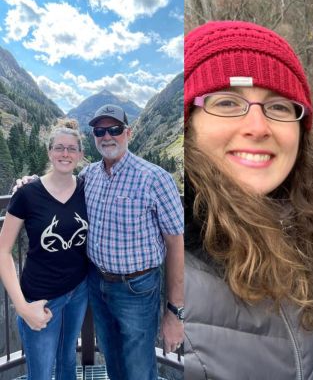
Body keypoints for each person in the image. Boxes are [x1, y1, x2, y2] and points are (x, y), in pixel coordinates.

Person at [184, 20, 313, 379]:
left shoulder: (298, 236)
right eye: (227, 101)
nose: (258, 126)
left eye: (279, 106)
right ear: (186, 123)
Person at [82, 104, 184, 380]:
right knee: (112, 359)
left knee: (139, 368)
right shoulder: (88, 176)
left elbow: (176, 245)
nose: (107, 136)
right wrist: (30, 184)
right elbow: (58, 190)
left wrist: (174, 312)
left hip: (137, 289)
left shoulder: (155, 178)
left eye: (114, 129)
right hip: (97, 281)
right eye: (99, 130)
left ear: (128, 133)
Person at [0, 119, 89, 380]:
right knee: (39, 373)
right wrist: (22, 307)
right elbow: (3, 250)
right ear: (49, 152)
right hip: (40, 298)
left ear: (81, 155)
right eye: (59, 147)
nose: (65, 154)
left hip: (78, 291)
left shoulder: (87, 188)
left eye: (72, 149)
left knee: (67, 362)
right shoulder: (27, 193)